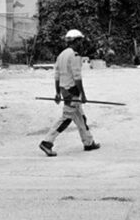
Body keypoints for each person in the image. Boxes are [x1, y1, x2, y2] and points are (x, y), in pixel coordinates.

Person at [39, 29, 100, 157]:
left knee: (80, 117)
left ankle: (88, 142)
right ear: (76, 41)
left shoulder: (61, 55)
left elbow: (56, 76)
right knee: (66, 118)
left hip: (64, 90)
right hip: (72, 92)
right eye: (80, 41)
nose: (81, 44)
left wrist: (57, 93)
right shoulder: (75, 55)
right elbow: (77, 77)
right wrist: (83, 94)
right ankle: (47, 142)